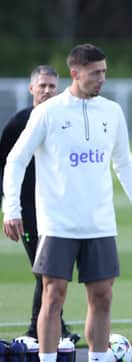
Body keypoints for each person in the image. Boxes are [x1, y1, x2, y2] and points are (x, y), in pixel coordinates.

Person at [2, 44, 132, 362]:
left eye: (104, 71)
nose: (102, 78)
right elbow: (15, 160)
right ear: (75, 73)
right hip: (57, 223)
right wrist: (12, 208)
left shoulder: (112, 113)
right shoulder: (48, 113)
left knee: (102, 297)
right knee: (52, 297)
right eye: (95, 72)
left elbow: (124, 162)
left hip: (99, 221)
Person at [0, 65, 79, 343]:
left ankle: (53, 326)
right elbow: (4, 167)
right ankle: (39, 329)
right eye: (42, 86)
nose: (47, 91)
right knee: (45, 270)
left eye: (51, 86)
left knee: (52, 271)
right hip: (28, 211)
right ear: (31, 88)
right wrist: (10, 208)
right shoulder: (17, 124)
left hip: (57, 208)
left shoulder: (65, 120)